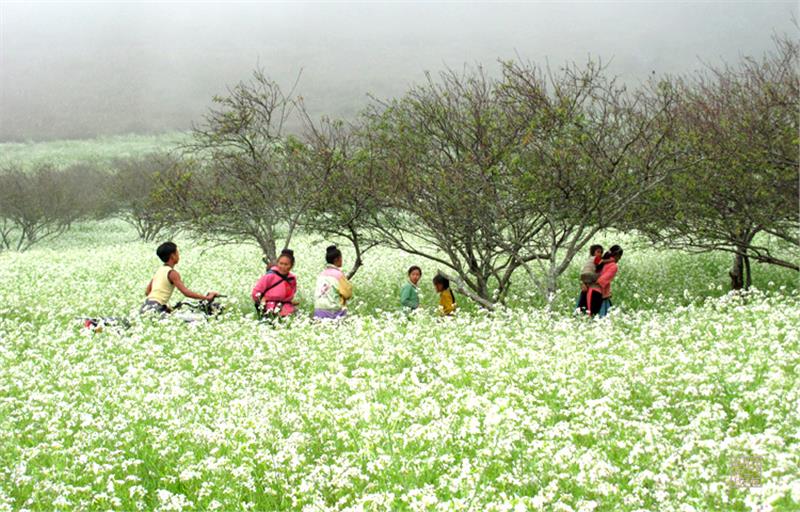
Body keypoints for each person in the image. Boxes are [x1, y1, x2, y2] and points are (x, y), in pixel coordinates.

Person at [142, 242, 218, 314]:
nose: (179, 255)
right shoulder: (172, 273)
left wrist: (165, 306)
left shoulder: (159, 270)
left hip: (145, 307)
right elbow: (186, 292)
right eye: (177, 253)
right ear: (172, 256)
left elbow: (148, 291)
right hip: (157, 309)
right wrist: (207, 297)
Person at [252, 249, 298, 319]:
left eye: (286, 264)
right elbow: (256, 293)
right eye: (281, 263)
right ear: (277, 263)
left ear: (291, 266)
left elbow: (291, 293)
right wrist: (262, 301)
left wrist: (288, 300)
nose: (283, 266)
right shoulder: (270, 276)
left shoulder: (292, 279)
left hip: (287, 307)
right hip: (269, 308)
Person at [313, 245, 353, 320]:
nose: (342, 260)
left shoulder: (321, 274)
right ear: (337, 259)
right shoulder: (338, 275)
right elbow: (348, 294)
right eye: (341, 258)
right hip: (333, 312)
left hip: (318, 311)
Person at [596, 245, 622, 318]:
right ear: (616, 255)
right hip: (601, 296)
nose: (619, 259)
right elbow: (601, 281)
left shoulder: (601, 262)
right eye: (619, 257)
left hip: (589, 292)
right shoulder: (613, 266)